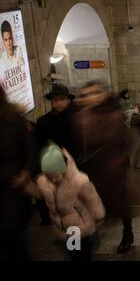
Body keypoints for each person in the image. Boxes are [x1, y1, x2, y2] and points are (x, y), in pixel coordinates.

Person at [71, 81, 135, 254]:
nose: (91, 97)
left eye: (95, 93)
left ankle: (127, 233)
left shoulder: (115, 115)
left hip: (114, 170)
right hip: (91, 171)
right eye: (87, 94)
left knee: (120, 204)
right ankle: (89, 234)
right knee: (89, 204)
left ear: (103, 95)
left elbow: (128, 141)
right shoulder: (81, 118)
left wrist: (118, 161)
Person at [34, 143, 105, 261]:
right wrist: (28, 187)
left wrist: (98, 215)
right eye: (50, 176)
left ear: (64, 168)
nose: (54, 179)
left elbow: (92, 199)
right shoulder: (43, 182)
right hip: (62, 227)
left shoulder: (79, 181)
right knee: (72, 253)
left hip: (79, 226)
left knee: (80, 255)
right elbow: (41, 194)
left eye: (57, 175)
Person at [0, 86, 35, 260]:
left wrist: (26, 172)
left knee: (13, 236)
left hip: (13, 188)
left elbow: (30, 149)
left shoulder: (14, 120)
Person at [35, 84, 76, 225]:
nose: (58, 103)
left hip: (74, 167)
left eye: (61, 99)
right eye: (54, 99)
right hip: (53, 168)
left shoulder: (77, 119)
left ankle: (75, 239)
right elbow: (39, 145)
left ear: (68, 100)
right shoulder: (43, 122)